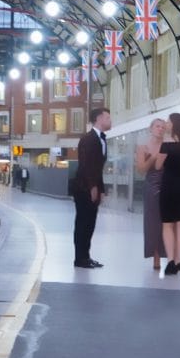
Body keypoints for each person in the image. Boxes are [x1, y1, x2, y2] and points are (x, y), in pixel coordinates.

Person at [70, 106, 111, 269]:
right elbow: (86, 165)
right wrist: (93, 187)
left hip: (92, 186)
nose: (110, 120)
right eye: (107, 117)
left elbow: (97, 168)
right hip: (84, 187)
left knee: (90, 223)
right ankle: (79, 259)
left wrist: (100, 189)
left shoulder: (100, 139)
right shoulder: (88, 139)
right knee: (83, 223)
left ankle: (85, 256)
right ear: (99, 119)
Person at [158, 112, 180, 275]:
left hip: (169, 185)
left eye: (168, 121)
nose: (166, 123)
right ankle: (179, 260)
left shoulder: (166, 143)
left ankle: (171, 261)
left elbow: (158, 165)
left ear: (174, 124)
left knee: (167, 224)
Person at [135, 118, 167, 270]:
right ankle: (156, 258)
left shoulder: (169, 145)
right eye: (157, 126)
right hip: (151, 186)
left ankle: (170, 255)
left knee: (168, 222)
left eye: (163, 127)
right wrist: (153, 158)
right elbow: (141, 170)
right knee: (153, 223)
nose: (160, 129)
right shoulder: (143, 147)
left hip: (169, 185)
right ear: (151, 128)